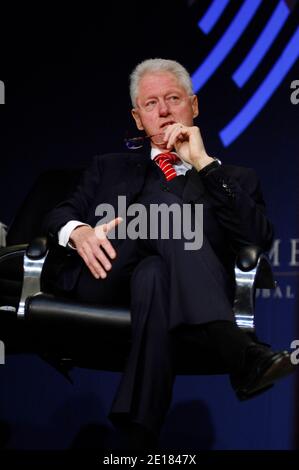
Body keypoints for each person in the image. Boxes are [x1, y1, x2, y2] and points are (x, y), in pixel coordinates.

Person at [43, 58, 295, 449]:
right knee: (164, 213)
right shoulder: (108, 168)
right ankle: (241, 354)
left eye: (173, 99)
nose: (163, 111)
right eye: (150, 104)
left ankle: (137, 435)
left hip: (182, 297)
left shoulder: (235, 179)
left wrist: (203, 166)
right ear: (137, 117)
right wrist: (79, 232)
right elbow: (59, 212)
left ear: (193, 106)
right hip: (105, 275)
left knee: (154, 275)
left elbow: (256, 238)